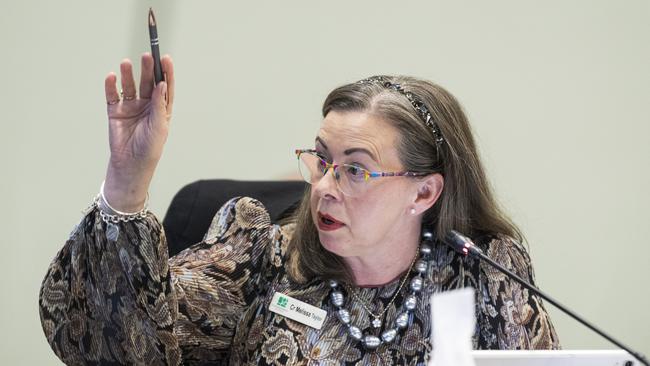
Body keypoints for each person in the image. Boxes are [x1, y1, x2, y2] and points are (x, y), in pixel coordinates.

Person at [39, 54, 560, 365]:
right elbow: (115, 345)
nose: (325, 187)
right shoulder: (261, 262)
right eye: (322, 160)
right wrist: (127, 182)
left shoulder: (484, 272)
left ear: (423, 193)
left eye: (355, 169)